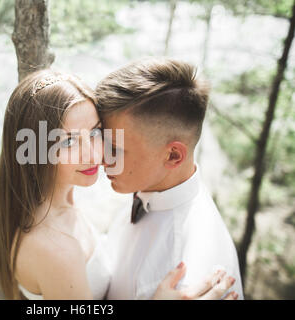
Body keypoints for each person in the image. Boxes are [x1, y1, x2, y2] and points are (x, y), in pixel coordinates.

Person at [0, 68, 238, 300]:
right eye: (67, 142)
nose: (93, 154)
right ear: (33, 150)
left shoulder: (62, 203)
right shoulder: (56, 249)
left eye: (95, 132)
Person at [95, 58, 244, 300]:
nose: (102, 158)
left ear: (173, 155)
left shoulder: (197, 275)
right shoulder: (149, 185)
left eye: (116, 149)